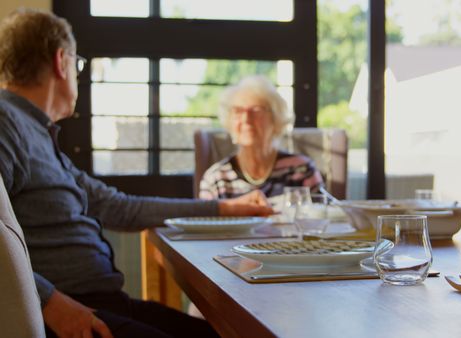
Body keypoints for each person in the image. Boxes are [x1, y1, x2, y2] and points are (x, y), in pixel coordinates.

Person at [0, 8, 272, 338]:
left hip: (104, 303)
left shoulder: (38, 135)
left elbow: (121, 207)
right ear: (62, 61)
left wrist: (225, 208)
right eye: (78, 63)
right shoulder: (7, 122)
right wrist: (50, 303)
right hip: (69, 313)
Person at [198, 75, 324, 200]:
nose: (246, 119)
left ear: (276, 119)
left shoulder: (302, 170)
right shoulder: (215, 179)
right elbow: (205, 220)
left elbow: (321, 215)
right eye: (238, 111)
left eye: (257, 110)